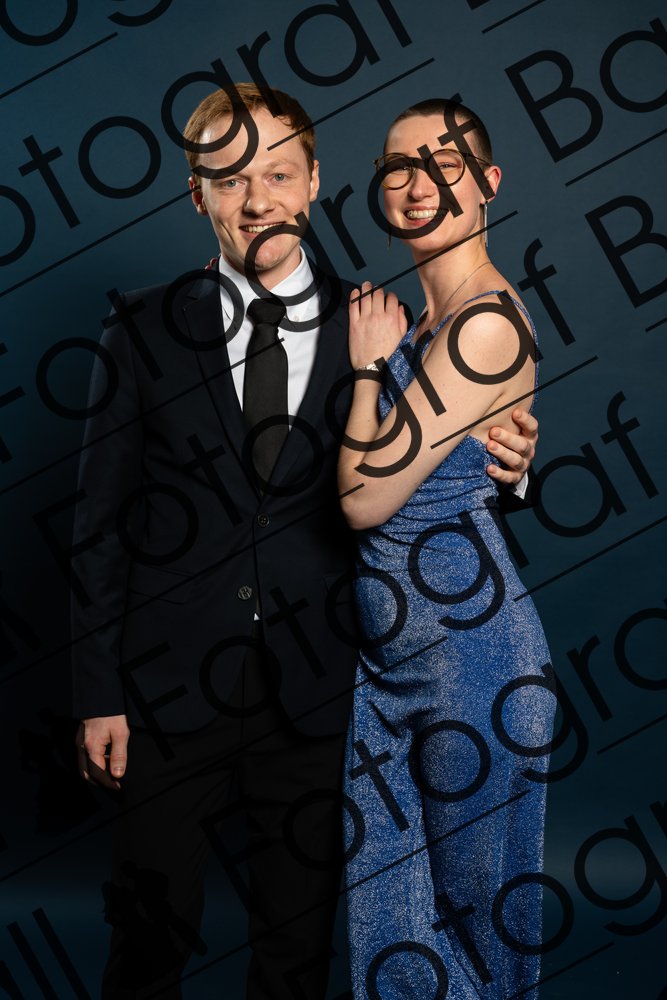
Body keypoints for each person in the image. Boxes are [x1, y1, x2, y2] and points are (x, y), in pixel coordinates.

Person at [71, 85, 538, 1000]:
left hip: (326, 694)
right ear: (196, 194)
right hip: (166, 694)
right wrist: (97, 696)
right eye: (230, 180)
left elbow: (438, 462)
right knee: (147, 939)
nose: (258, 200)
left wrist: (515, 466)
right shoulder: (140, 325)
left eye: (278, 175)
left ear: (314, 181)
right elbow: (96, 528)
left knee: (297, 954)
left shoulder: (377, 326)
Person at [338, 99, 555, 999]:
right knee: (390, 928)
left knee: (477, 931)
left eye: (445, 162)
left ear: (487, 183)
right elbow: (467, 469)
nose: (417, 182)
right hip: (387, 666)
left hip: (474, 661)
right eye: (398, 165)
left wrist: (366, 368)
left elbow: (364, 497)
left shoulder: (481, 322)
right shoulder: (420, 321)